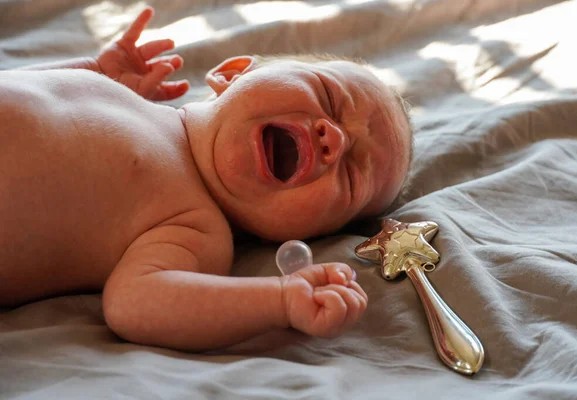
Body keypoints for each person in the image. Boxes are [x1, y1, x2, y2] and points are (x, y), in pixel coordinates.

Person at [0, 7, 412, 351]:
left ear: (313, 232)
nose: (335, 139)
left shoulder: (196, 228)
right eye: (329, 97)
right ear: (233, 74)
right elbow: (31, 90)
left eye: (353, 176)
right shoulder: (130, 98)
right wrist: (90, 69)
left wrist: (281, 301)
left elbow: (133, 303)